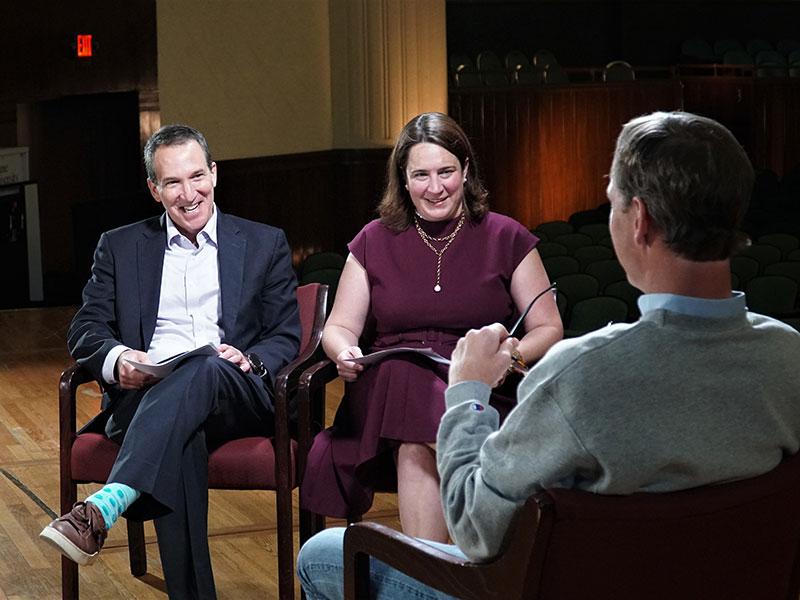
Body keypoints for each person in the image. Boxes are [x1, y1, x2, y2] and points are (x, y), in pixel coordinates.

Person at [296, 111, 800, 599]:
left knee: (321, 555)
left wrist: (470, 390)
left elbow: (478, 534)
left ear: (638, 220)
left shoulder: (577, 374)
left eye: (613, 203)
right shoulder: (789, 356)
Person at [40, 124, 300, 599]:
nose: (188, 194)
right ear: (154, 190)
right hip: (147, 399)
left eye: (197, 176)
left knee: (202, 364)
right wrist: (119, 361)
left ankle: (106, 502)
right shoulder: (119, 246)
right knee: (183, 437)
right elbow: (86, 328)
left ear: (215, 175)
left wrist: (249, 358)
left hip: (234, 391)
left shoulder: (264, 243)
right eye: (173, 183)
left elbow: (285, 335)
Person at [300, 112, 563, 542]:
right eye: (421, 175)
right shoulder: (373, 239)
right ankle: (485, 530)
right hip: (389, 389)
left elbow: (548, 327)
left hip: (482, 383)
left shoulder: (505, 235)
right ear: (403, 180)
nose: (435, 187)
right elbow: (339, 327)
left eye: (446, 172)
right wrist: (343, 350)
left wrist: (507, 357)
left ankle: (428, 571)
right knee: (405, 375)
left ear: (466, 171)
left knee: (414, 440)